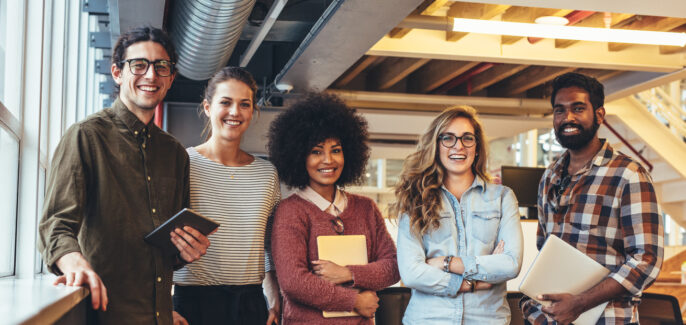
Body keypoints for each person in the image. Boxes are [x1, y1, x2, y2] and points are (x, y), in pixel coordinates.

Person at [38, 26, 211, 325]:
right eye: (139, 65)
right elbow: (55, 225)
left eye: (161, 67)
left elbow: (166, 249)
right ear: (118, 73)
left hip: (158, 316)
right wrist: (73, 261)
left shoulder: (175, 154)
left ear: (170, 78)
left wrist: (186, 250)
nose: (151, 75)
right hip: (105, 314)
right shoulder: (85, 136)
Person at [520, 72, 664, 324]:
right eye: (559, 110)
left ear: (599, 114)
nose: (568, 118)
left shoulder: (628, 175)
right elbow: (545, 249)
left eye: (578, 108)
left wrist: (580, 303)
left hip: (606, 318)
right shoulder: (549, 177)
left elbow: (646, 260)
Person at [268, 93, 400, 324]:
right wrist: (354, 301)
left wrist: (348, 273)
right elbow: (293, 282)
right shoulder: (291, 211)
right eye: (316, 151)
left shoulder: (366, 208)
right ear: (300, 156)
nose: (328, 160)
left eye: (336, 150)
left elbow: (393, 267)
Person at [391, 105, 523, 324]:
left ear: (477, 147)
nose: (458, 146)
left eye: (467, 138)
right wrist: (473, 281)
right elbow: (412, 272)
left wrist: (446, 262)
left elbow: (510, 264)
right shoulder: (414, 199)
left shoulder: (502, 198)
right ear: (436, 144)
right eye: (448, 138)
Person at [171, 66, 281, 325]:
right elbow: (160, 241)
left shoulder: (267, 174)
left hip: (250, 305)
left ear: (253, 112)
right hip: (193, 305)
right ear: (208, 107)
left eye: (244, 104)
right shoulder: (183, 163)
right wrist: (164, 306)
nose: (235, 112)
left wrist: (274, 298)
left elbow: (269, 246)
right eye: (226, 102)